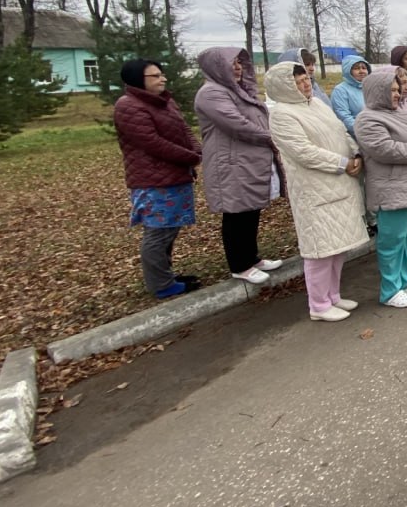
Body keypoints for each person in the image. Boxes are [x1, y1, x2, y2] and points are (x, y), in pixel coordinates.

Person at [266, 62, 369, 322]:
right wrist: (342, 163)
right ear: (285, 86)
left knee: (338, 246)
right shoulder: (282, 114)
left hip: (340, 184)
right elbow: (303, 151)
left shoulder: (317, 105)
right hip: (315, 189)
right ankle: (319, 305)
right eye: (298, 82)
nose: (305, 85)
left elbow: (340, 131)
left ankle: (333, 295)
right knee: (320, 250)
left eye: (306, 80)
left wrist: (355, 153)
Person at [113, 58, 203, 299]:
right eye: (155, 76)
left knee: (170, 230)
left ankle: (166, 274)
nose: (162, 78)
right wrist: (191, 157)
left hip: (175, 175)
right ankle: (160, 284)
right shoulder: (128, 106)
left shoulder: (165, 101)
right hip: (153, 182)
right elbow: (153, 143)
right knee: (158, 233)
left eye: (161, 74)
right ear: (137, 80)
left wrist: (197, 150)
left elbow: (184, 130)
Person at [194, 47, 282, 285]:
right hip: (230, 163)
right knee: (236, 213)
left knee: (250, 209)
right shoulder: (211, 93)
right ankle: (239, 265)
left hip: (248, 161)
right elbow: (237, 124)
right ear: (216, 66)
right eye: (231, 63)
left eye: (239, 63)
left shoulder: (239, 90)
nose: (237, 67)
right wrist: (271, 137)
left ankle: (252, 257)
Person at [355, 67, 407, 309]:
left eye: (397, 88)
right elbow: (385, 149)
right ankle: (390, 290)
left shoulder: (403, 110)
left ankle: (404, 279)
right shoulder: (368, 118)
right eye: (391, 90)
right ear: (378, 91)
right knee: (392, 241)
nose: (397, 93)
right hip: (392, 189)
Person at [329, 54, 370, 136]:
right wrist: (365, 131)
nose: (361, 71)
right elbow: (344, 117)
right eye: (357, 68)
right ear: (348, 70)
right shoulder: (340, 90)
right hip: (357, 134)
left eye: (364, 68)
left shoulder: (370, 87)